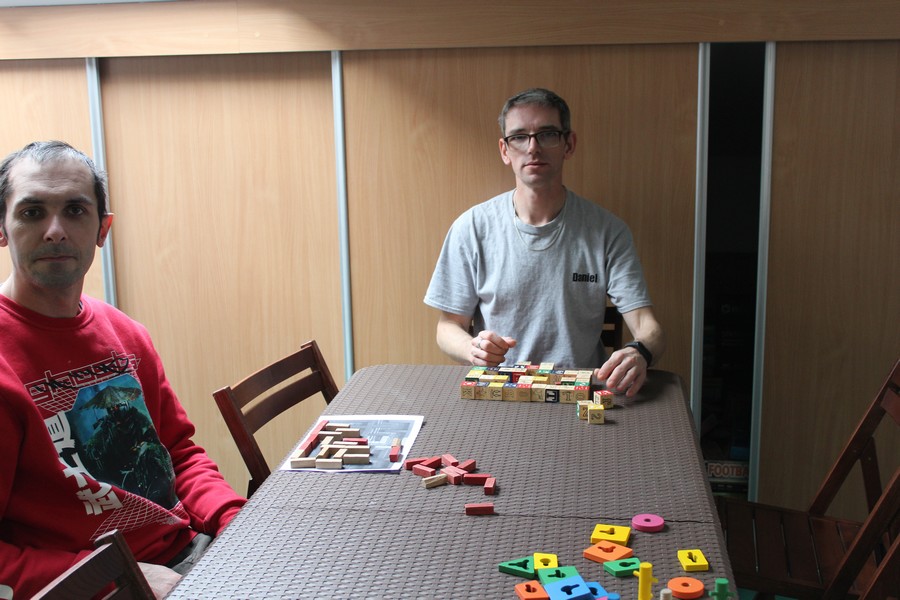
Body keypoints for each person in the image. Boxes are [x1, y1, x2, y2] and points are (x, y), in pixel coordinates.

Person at [0, 141, 246, 599]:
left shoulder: (125, 333)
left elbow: (178, 454)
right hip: (95, 587)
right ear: (2, 228)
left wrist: (236, 520)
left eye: (75, 210)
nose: (55, 231)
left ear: (102, 229)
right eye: (32, 213)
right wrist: (120, 579)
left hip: (188, 551)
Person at [425, 88, 665, 396]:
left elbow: (649, 328)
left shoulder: (608, 231)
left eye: (547, 134)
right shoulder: (471, 228)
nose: (533, 148)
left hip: (580, 391)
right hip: (500, 391)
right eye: (519, 137)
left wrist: (639, 352)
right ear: (504, 150)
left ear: (569, 144)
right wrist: (473, 348)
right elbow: (447, 327)